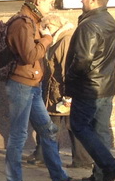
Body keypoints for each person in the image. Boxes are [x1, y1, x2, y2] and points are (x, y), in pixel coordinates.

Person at [4, 0, 90, 181]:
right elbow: (28, 56)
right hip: (21, 84)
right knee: (19, 135)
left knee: (49, 130)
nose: (52, 7)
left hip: (32, 85)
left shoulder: (31, 21)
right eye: (50, 2)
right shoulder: (22, 23)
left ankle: (60, 179)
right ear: (38, 1)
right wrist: (48, 38)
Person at [65, 0, 115, 181]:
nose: (81, 0)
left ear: (93, 0)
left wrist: (70, 78)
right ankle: (100, 174)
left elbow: (83, 59)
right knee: (100, 130)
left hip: (88, 87)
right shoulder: (109, 21)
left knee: (79, 126)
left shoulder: (89, 25)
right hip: (105, 85)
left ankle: (109, 166)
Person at [31, 13, 93, 171]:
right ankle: (71, 159)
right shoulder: (59, 39)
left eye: (47, 27)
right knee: (60, 124)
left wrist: (68, 95)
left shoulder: (65, 39)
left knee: (63, 125)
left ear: (54, 25)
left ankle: (77, 159)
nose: (44, 31)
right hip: (57, 92)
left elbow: (67, 67)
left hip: (63, 91)